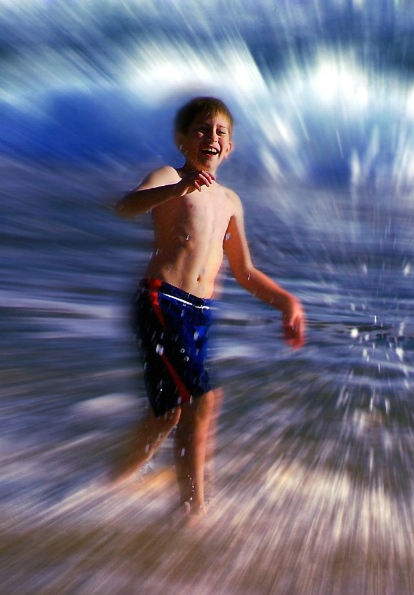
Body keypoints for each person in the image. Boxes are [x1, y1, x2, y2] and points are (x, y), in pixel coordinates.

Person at [113, 96, 305, 518]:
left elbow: (244, 270)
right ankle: (193, 509)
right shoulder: (170, 177)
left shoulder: (230, 201)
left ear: (230, 147)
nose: (211, 138)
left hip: (200, 315)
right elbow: (125, 205)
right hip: (162, 300)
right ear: (182, 140)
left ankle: (106, 488)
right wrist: (177, 188)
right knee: (204, 398)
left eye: (220, 133)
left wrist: (287, 302)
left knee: (168, 414)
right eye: (202, 129)